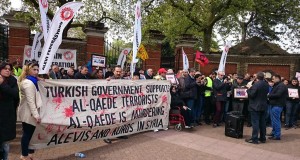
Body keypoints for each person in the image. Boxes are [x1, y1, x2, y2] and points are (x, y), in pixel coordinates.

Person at [18, 62, 42, 160]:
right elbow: (30, 101)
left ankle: (29, 154)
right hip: (29, 112)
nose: (36, 72)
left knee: (31, 134)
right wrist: (36, 115)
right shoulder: (28, 83)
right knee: (27, 134)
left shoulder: (33, 80)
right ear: (28, 70)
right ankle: (24, 155)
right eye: (34, 69)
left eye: (37, 69)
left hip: (31, 111)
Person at [0, 62, 19, 160]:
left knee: (5, 143)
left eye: (9, 69)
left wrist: (2, 84)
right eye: (5, 68)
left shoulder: (12, 81)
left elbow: (15, 94)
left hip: (7, 115)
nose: (7, 70)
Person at [245, 72, 269, 144]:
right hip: (263, 106)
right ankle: (262, 138)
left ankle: (254, 139)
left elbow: (252, 94)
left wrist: (248, 89)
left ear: (257, 77)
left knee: (255, 123)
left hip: (255, 106)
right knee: (262, 123)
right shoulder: (266, 84)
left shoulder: (256, 84)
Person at [267, 74, 288, 140]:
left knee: (276, 120)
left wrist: (268, 95)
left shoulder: (281, 86)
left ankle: (277, 135)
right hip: (274, 104)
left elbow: (278, 94)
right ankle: (274, 132)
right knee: (273, 120)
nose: (272, 80)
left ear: (277, 78)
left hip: (277, 105)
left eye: (273, 78)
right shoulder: (277, 85)